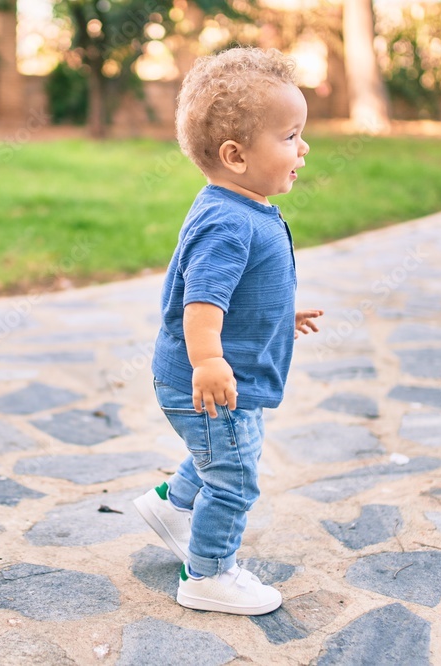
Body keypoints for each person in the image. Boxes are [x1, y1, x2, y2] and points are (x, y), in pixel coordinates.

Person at [133, 47, 323, 616]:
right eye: (290, 137)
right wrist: (209, 362)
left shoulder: (239, 207)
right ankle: (209, 574)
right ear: (235, 155)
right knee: (235, 476)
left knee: (226, 451)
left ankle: (172, 506)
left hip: (218, 374)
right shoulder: (228, 222)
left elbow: (236, 290)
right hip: (207, 377)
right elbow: (202, 303)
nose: (304, 148)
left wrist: (279, 313)